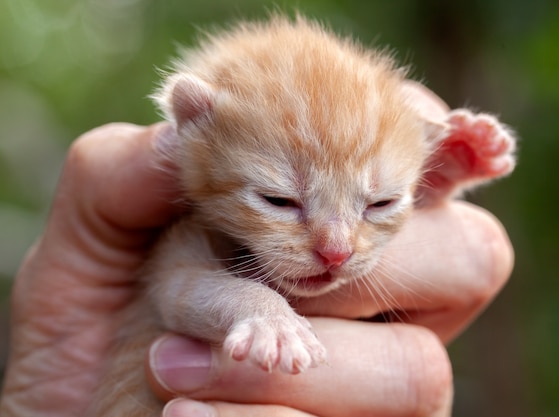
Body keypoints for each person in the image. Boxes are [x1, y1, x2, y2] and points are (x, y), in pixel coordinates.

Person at [0, 86, 514, 417]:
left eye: (378, 202)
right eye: (278, 198)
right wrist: (259, 308)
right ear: (194, 131)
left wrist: (426, 187)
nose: (336, 251)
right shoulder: (187, 227)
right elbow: (179, 291)